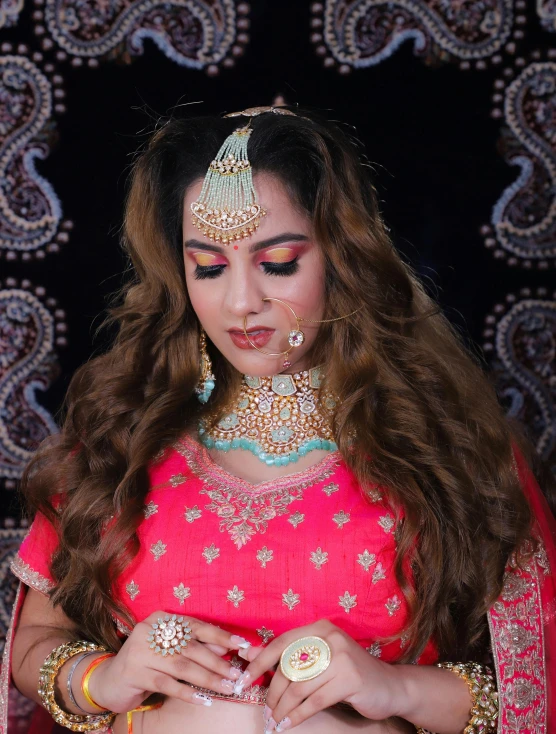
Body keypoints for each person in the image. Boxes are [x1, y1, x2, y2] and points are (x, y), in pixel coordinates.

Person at [1, 105, 554, 734]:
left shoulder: (452, 452)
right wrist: (103, 678)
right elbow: (33, 640)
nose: (240, 302)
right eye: (208, 267)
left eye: (279, 262)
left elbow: (532, 685)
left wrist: (395, 686)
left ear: (343, 257)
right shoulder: (118, 443)